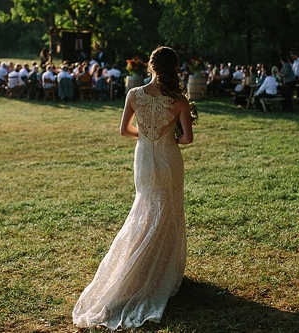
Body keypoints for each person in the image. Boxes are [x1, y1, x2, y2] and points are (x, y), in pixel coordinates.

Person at [72, 46, 193, 331]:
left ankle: (140, 266)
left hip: (144, 158)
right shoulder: (179, 100)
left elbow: (125, 130)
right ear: (173, 68)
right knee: (168, 208)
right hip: (168, 157)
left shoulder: (134, 94)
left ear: (150, 66)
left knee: (146, 207)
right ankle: (161, 268)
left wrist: (148, 135)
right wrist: (167, 135)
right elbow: (187, 138)